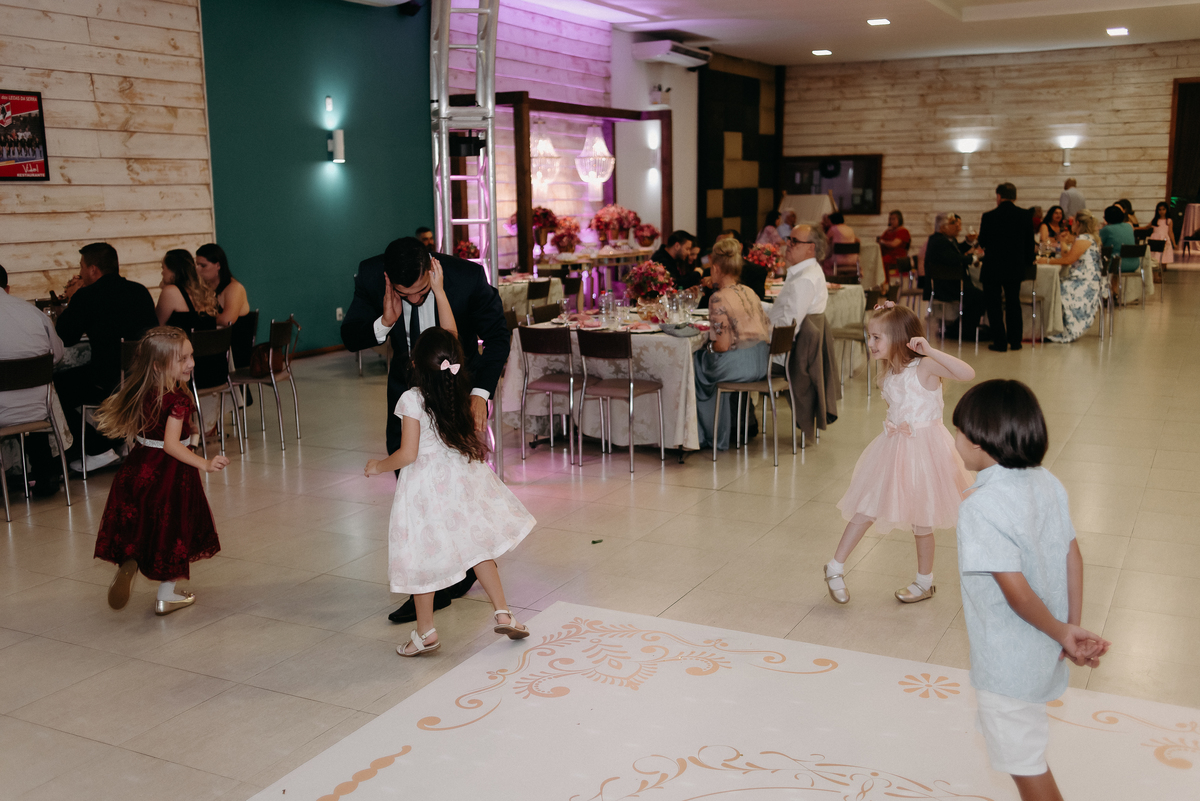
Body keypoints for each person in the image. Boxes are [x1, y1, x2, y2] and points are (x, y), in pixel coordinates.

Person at [952, 379, 1110, 801]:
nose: (955, 440)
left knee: (1027, 766)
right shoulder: (1047, 482)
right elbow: (1073, 556)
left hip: (1007, 664)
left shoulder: (980, 507)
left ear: (979, 440)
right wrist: (1069, 627)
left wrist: (1063, 633)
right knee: (1024, 750)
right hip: (1042, 651)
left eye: (958, 431)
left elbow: (1017, 593)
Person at [341, 236, 509, 624]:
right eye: (406, 294)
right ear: (388, 279)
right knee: (415, 496)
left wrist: (480, 394)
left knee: (458, 493)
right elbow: (350, 336)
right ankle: (436, 582)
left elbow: (497, 337)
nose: (415, 300)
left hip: (457, 396)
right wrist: (385, 322)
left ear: (430, 268)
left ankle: (453, 576)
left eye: (421, 291)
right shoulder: (371, 275)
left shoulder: (465, 278)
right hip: (407, 397)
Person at [365, 322, 534, 656]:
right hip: (460, 481)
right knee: (478, 548)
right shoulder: (458, 391)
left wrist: (378, 466)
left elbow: (408, 454)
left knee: (421, 557)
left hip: (425, 490)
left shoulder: (411, 398)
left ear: (415, 364)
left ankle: (425, 632)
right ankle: (503, 612)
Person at [823, 303, 974, 605]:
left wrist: (930, 350)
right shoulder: (888, 374)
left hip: (929, 451)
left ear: (900, 338)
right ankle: (835, 567)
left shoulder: (925, 366)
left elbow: (966, 373)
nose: (870, 343)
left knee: (923, 519)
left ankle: (924, 582)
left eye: (877, 337)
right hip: (894, 449)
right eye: (869, 336)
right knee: (867, 506)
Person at [93, 327, 228, 616]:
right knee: (173, 532)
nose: (191, 363)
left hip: (138, 468)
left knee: (144, 523)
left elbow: (148, 433)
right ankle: (166, 597)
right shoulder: (178, 399)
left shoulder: (143, 390)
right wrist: (204, 463)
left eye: (191, 356)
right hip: (170, 474)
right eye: (183, 359)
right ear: (158, 365)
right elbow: (171, 445)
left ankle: (131, 559)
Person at [54, 243, 158, 473]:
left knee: (54, 388)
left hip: (107, 380)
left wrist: (72, 299)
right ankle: (119, 442)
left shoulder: (87, 296)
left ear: (93, 269)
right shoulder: (140, 291)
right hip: (144, 376)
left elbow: (65, 337)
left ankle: (98, 447)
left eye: (81, 267)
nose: (80, 272)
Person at [693, 239, 771, 451]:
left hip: (740, 366)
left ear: (716, 268)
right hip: (762, 361)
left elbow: (722, 346)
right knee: (704, 360)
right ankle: (734, 425)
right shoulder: (750, 291)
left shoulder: (718, 298)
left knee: (695, 364)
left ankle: (709, 434)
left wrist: (706, 349)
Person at [0, 263, 66, 498]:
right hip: (39, 410)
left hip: (2, 413)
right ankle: (45, 472)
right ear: (7, 288)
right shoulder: (33, 312)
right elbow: (57, 355)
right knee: (35, 393)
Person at [977, 183, 1035, 353]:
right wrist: (1027, 262)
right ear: (1015, 197)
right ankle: (1015, 341)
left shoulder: (989, 216)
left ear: (999, 196)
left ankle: (1000, 342)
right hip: (1014, 267)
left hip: (993, 266)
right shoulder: (1025, 215)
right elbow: (1030, 244)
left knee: (994, 305)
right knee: (1013, 303)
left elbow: (982, 241)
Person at [1039, 209, 1103, 344]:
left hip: (1085, 282)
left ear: (1078, 223)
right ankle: (1053, 326)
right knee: (1056, 285)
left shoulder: (1083, 239)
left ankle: (1057, 328)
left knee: (1054, 289)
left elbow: (1068, 260)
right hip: (1086, 278)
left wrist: (1047, 261)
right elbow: (1067, 255)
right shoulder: (1087, 238)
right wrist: (1062, 242)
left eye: (1072, 222)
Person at [923, 212, 986, 340]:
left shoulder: (944, 240)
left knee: (979, 295)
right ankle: (962, 330)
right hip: (946, 286)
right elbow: (954, 258)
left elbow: (956, 251)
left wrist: (968, 242)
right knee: (980, 297)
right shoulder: (939, 241)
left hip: (950, 283)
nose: (958, 227)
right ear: (943, 227)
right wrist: (974, 258)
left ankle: (961, 328)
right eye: (953, 224)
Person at [195, 244, 254, 369]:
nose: (198, 270)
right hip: (216, 347)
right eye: (197, 265)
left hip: (235, 352)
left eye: (203, 266)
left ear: (218, 265)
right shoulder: (204, 289)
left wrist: (204, 319)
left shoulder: (234, 288)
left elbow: (228, 320)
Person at [768, 225, 829, 332]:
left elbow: (787, 328)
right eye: (789, 239)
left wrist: (760, 332)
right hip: (773, 335)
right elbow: (782, 310)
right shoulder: (806, 271)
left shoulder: (805, 279)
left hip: (774, 340)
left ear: (810, 248)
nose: (787, 243)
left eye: (794, 241)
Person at [1098, 205, 1137, 276]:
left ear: (1107, 218)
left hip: (1116, 264)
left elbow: (1097, 243)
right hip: (1134, 263)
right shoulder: (1129, 226)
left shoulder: (1107, 229)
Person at [876, 209, 911, 286]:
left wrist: (883, 242)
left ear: (899, 219)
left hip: (896, 258)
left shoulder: (903, 231)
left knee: (882, 261)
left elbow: (894, 244)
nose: (891, 221)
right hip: (885, 255)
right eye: (890, 219)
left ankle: (884, 284)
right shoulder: (888, 231)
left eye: (893, 219)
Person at [823, 212, 858, 277]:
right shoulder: (850, 229)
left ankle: (831, 279)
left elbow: (825, 240)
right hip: (853, 260)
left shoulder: (833, 229)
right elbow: (856, 240)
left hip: (838, 260)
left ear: (832, 220)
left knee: (824, 262)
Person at [1149, 201, 1177, 266]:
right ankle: (1156, 268)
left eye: (1163, 209)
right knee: (1155, 255)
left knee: (1164, 255)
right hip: (1155, 239)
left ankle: (1163, 268)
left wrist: (1174, 243)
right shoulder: (1155, 220)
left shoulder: (1169, 221)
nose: (1161, 211)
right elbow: (1147, 227)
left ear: (1166, 210)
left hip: (1164, 239)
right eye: (1159, 210)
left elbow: (1170, 232)